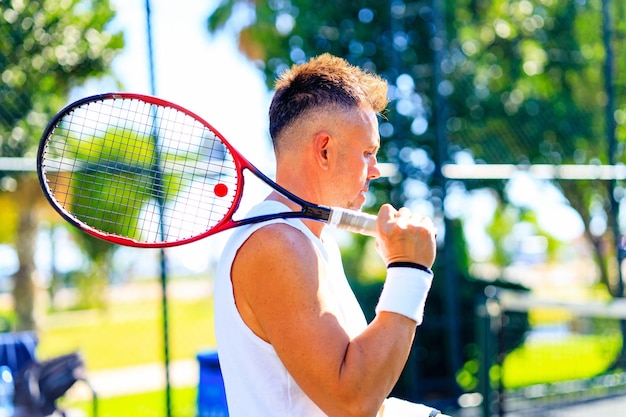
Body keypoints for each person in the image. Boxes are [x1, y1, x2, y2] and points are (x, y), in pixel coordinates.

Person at [214, 53, 443, 417]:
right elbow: (351, 401)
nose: (376, 169)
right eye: (368, 152)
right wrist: (409, 271)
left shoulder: (310, 241)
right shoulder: (278, 244)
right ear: (324, 150)